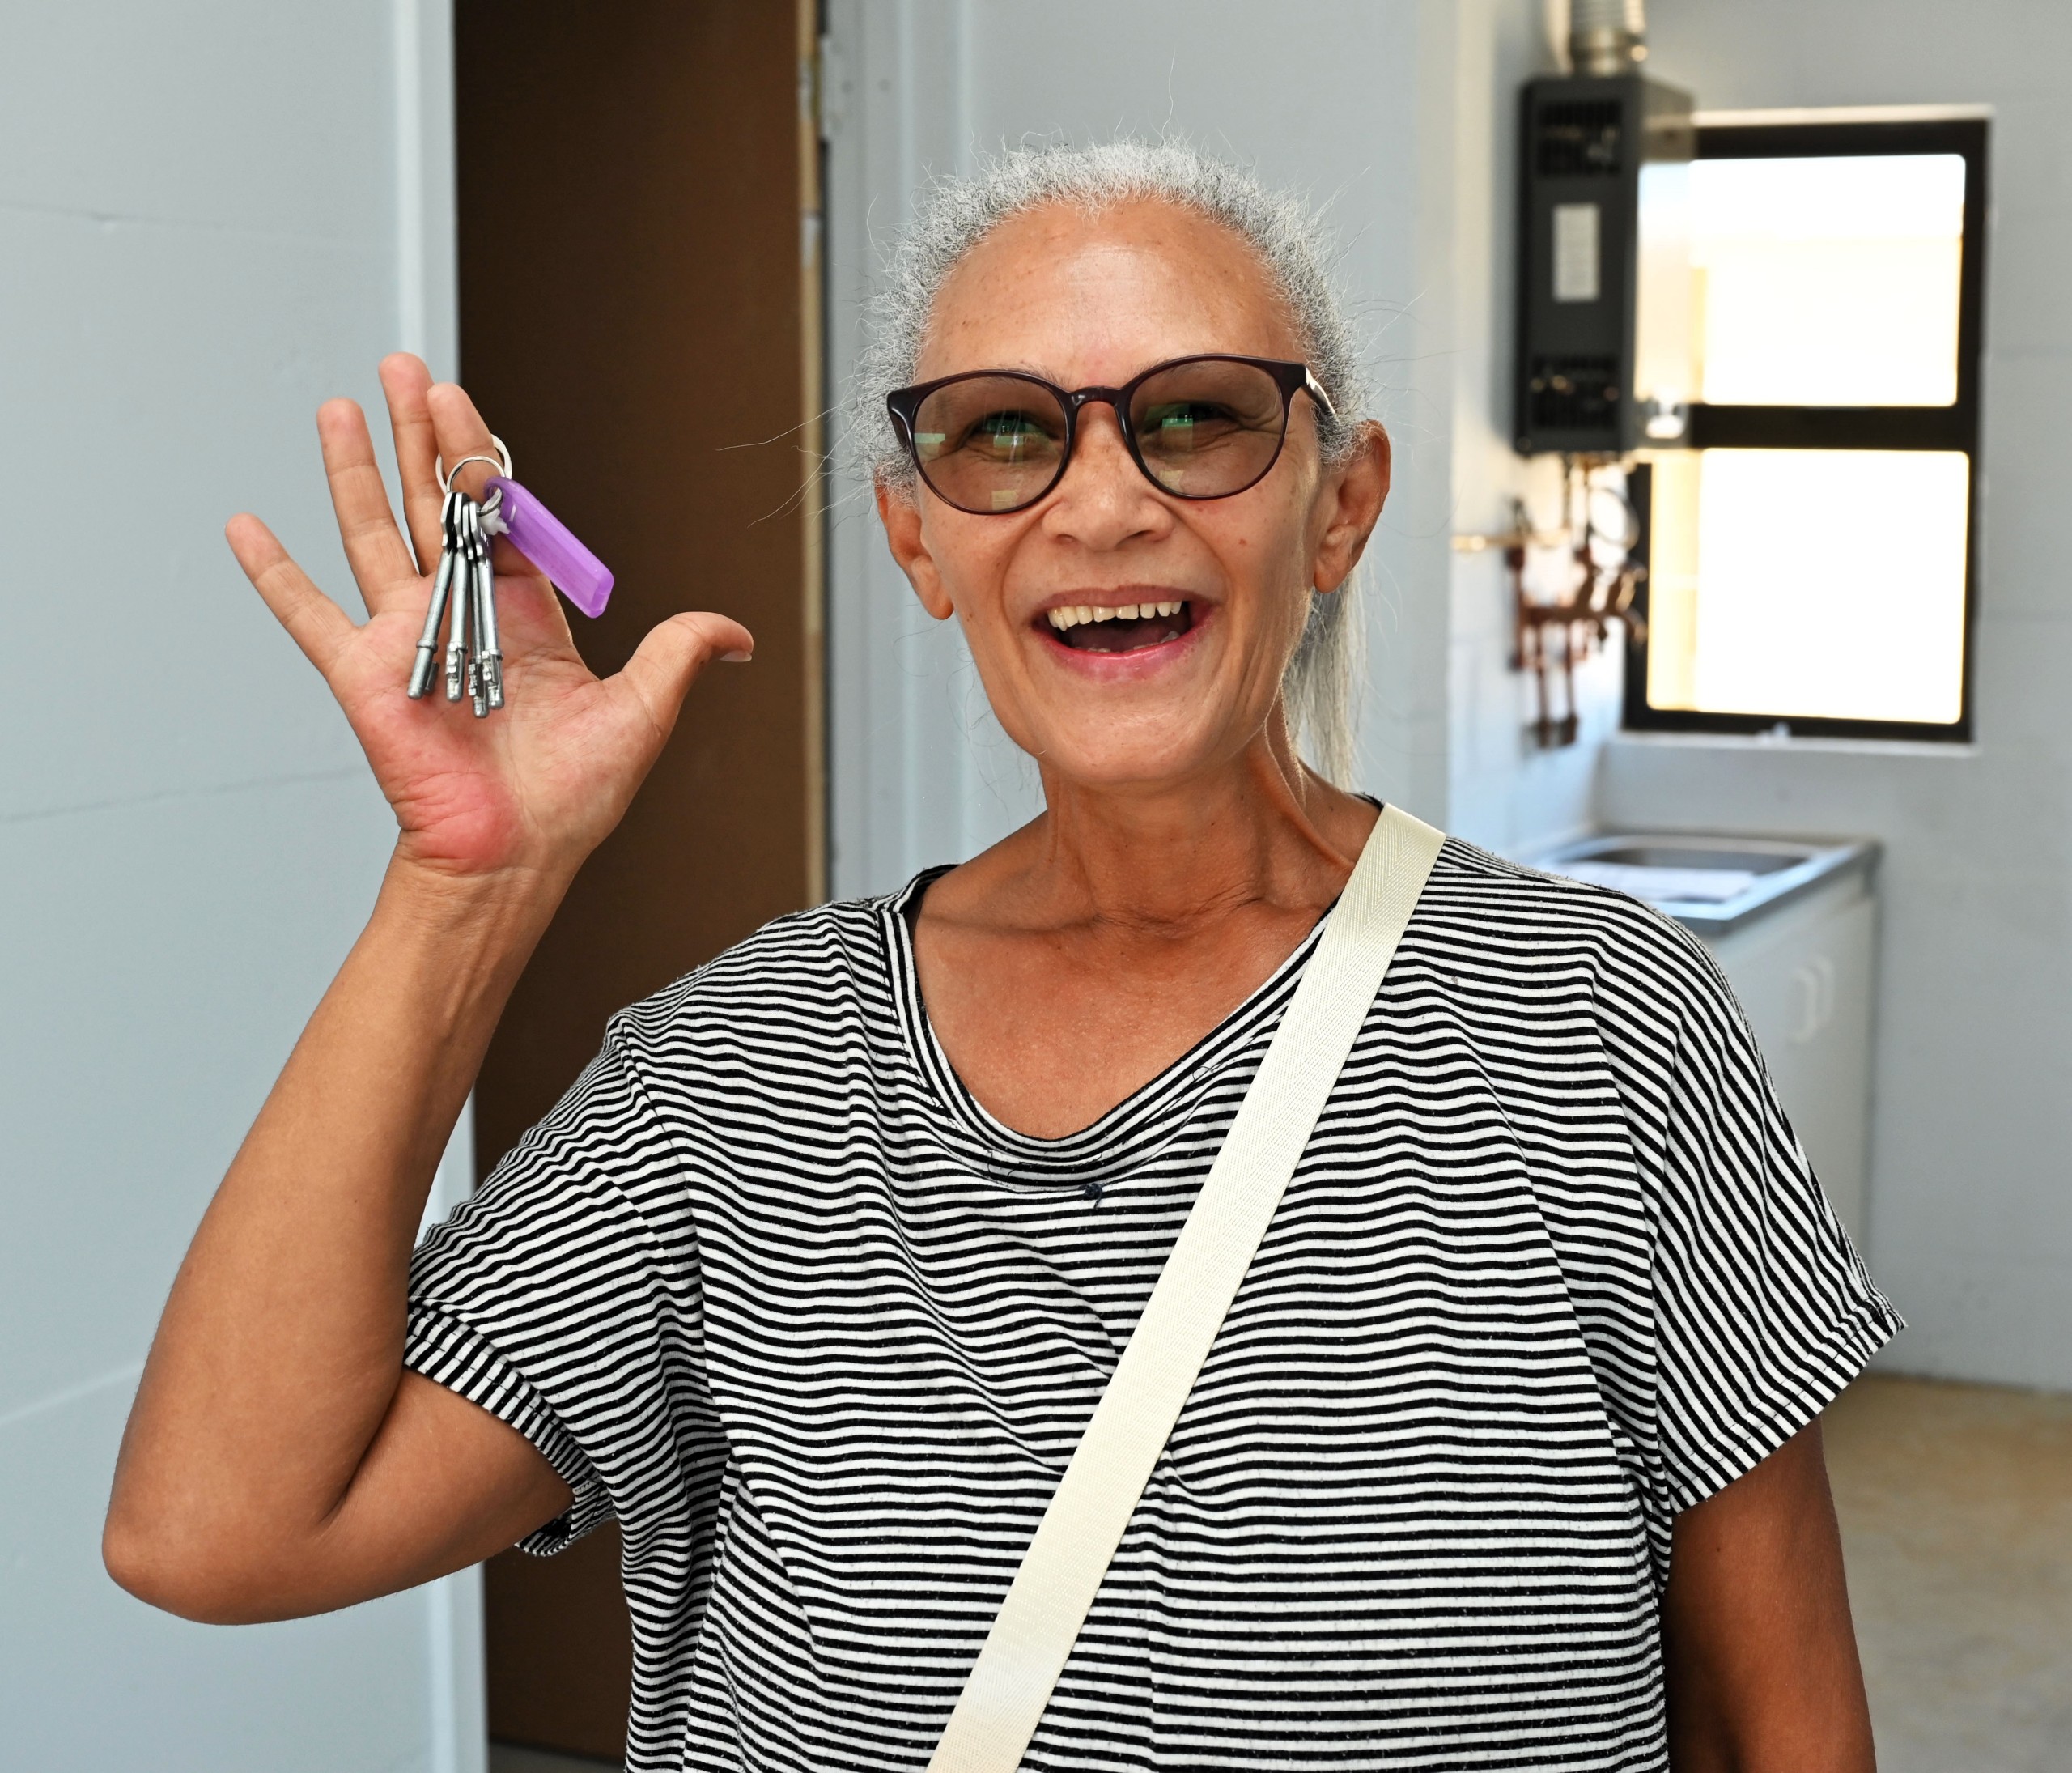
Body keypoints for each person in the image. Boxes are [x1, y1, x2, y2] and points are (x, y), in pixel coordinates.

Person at [105, 142, 1895, 1771]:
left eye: (1193, 417)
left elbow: (1783, 1720)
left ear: (1336, 506)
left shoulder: (1595, 1020)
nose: (1101, 503)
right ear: (918, 542)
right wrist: (463, 883)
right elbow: (224, 1530)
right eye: (1004, 431)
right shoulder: (737, 1075)